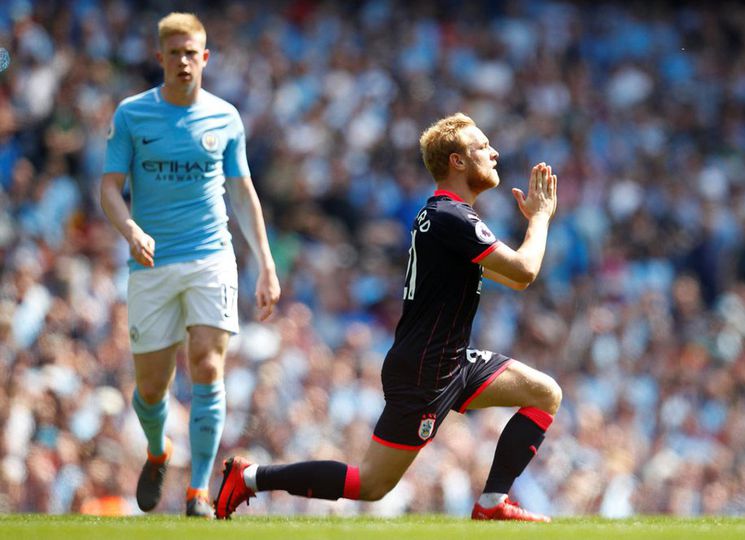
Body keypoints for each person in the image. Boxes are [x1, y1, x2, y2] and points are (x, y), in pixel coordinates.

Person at [215, 112, 561, 521]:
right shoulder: (452, 217)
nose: (494, 153)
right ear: (458, 161)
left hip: (450, 359)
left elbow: (517, 281)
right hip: (426, 370)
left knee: (544, 393)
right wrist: (540, 217)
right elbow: (525, 270)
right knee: (372, 485)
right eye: (482, 147)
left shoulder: (446, 217)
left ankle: (492, 503)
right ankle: (249, 476)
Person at [99, 12, 281, 518]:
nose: (183, 60)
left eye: (191, 52)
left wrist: (265, 263)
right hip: (151, 261)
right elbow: (109, 188)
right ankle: (159, 450)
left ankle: (198, 491)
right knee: (152, 388)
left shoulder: (226, 118)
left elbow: (243, 194)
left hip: (210, 256)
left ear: (205, 58)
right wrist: (130, 229)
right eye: (173, 52)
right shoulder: (133, 115)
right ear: (160, 58)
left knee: (206, 363)